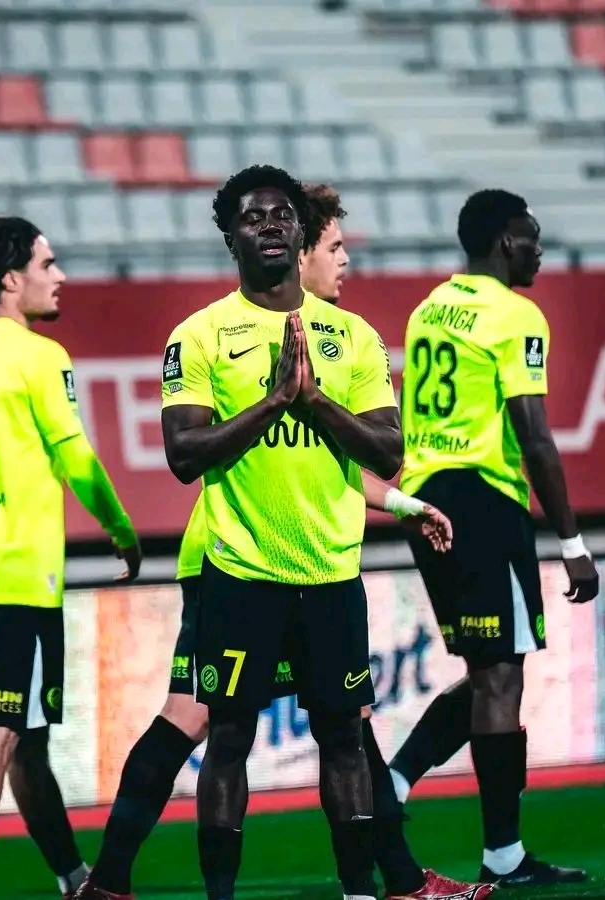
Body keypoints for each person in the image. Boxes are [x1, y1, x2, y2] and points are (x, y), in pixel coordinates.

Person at [75, 184, 485, 900]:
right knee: (220, 732)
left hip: (328, 572)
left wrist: (315, 403)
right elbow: (183, 456)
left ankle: (378, 885)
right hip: (233, 567)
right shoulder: (200, 334)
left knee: (343, 733)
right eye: (252, 218)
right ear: (231, 237)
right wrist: (273, 401)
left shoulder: (351, 337)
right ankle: (144, 883)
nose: (270, 227)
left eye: (283, 216)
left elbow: (383, 453)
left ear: (299, 234)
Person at [0, 216, 142, 900]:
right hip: (18, 573)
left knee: (27, 734)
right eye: (48, 264)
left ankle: (73, 880)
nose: (61, 276)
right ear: (11, 279)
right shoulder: (39, 357)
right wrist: (121, 528)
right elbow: (76, 458)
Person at [391, 190, 599, 887]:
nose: (539, 251)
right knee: (502, 675)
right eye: (531, 238)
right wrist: (572, 544)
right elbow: (534, 436)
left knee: (491, 670)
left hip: (426, 500)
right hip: (483, 497)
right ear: (507, 241)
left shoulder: (429, 308)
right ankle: (503, 855)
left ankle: (392, 783)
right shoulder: (515, 314)